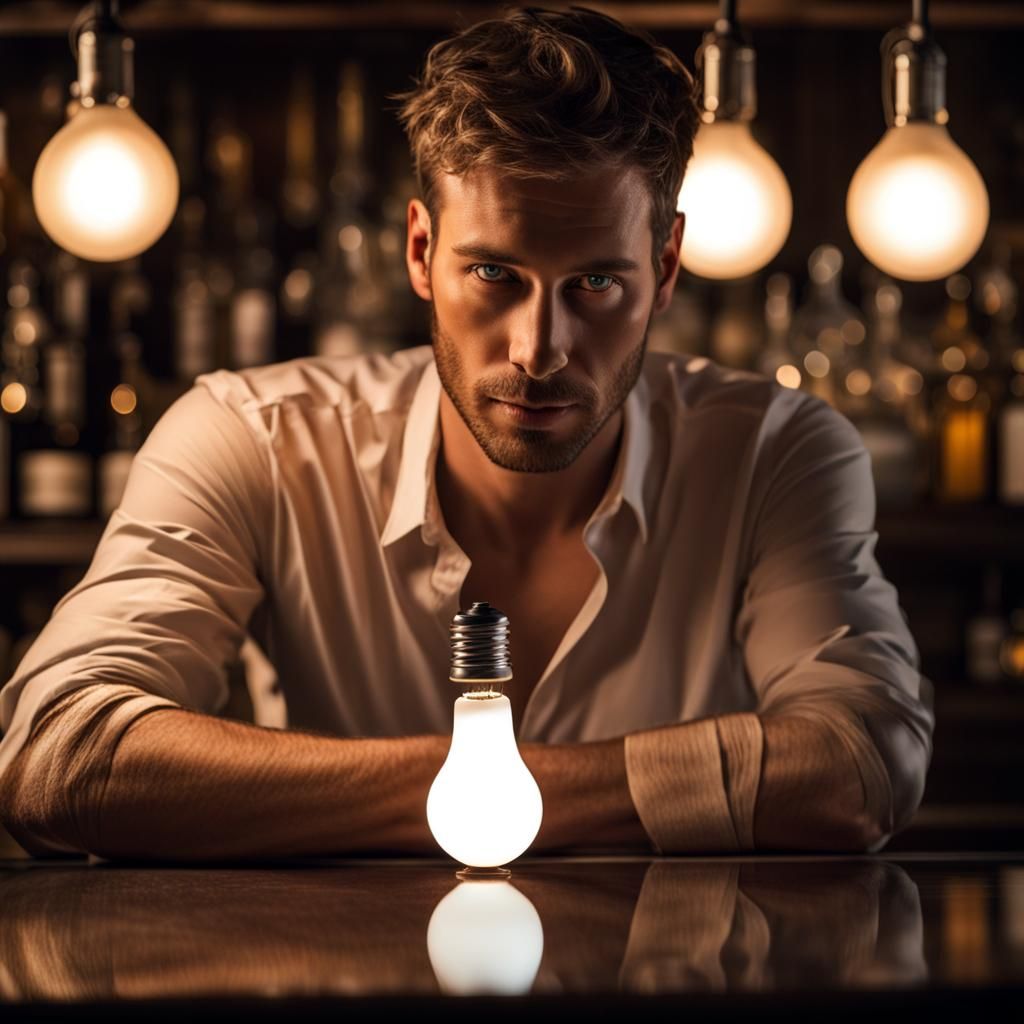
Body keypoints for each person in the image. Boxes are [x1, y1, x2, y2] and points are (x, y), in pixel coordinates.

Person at [0, 6, 933, 861]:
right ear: (420, 252)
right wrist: (505, 792)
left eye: (596, 285)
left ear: (667, 267)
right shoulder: (254, 438)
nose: (539, 350)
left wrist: (387, 797)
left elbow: (859, 764)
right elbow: (59, 757)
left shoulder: (776, 452)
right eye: (493, 274)